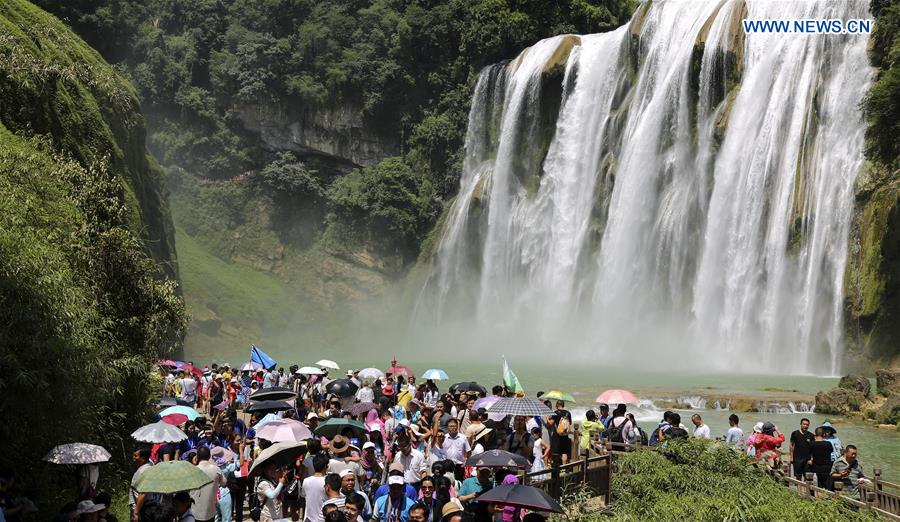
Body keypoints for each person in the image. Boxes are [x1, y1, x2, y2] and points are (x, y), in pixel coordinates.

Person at [191, 446, 224, 522]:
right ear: (209, 456)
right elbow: (224, 483)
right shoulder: (216, 469)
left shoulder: (192, 471)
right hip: (210, 511)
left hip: (195, 512)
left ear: (197, 457)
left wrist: (193, 465)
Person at [302, 454, 330, 522]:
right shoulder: (327, 481)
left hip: (308, 518)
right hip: (322, 518)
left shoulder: (306, 481)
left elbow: (303, 495)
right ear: (325, 467)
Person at [130, 447, 153, 521]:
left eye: (136, 456)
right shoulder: (147, 465)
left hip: (141, 508)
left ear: (143, 458)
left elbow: (143, 493)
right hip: (141, 507)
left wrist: (136, 512)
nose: (133, 458)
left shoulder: (145, 470)